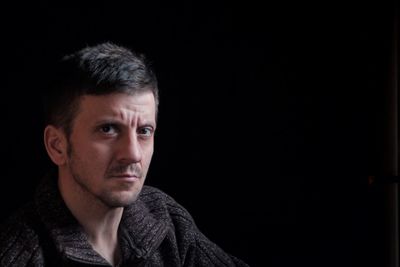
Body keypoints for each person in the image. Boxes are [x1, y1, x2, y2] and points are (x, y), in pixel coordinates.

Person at [0, 42, 249, 266]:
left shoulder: (167, 220)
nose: (132, 154)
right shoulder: (21, 254)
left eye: (144, 131)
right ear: (57, 146)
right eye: (107, 129)